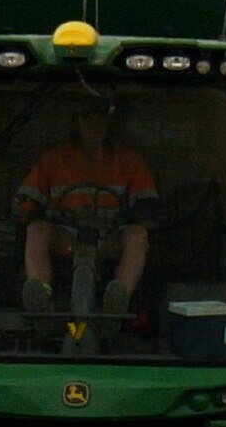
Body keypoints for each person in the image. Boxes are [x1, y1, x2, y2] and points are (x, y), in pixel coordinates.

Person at [12, 101, 160, 316]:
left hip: (110, 237)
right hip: (66, 235)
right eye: (87, 118)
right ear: (76, 122)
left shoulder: (128, 161)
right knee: (37, 230)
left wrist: (138, 218)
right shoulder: (54, 159)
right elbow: (26, 201)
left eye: (100, 117)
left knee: (138, 235)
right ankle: (41, 297)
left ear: (109, 122)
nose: (94, 124)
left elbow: (147, 206)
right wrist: (23, 209)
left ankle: (118, 299)